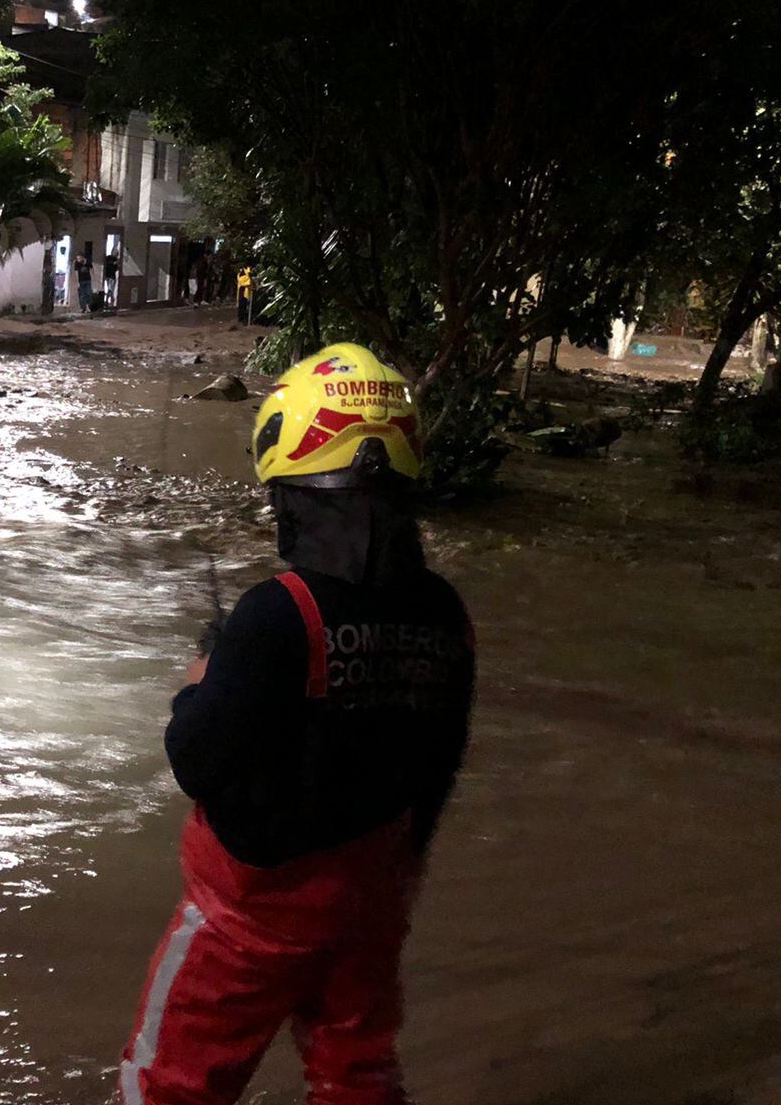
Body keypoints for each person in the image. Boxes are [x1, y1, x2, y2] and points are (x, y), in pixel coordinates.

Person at [117, 343, 476, 1105]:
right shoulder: (445, 612)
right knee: (357, 1073)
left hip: (248, 920)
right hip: (371, 905)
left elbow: (196, 757)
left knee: (168, 1084)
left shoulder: (277, 614)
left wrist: (199, 679)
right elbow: (440, 758)